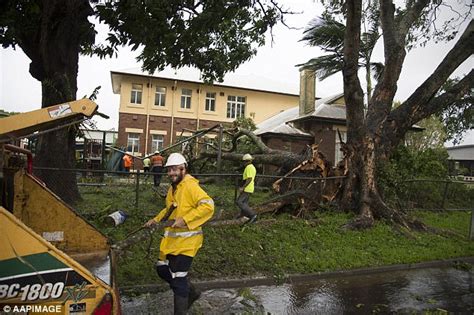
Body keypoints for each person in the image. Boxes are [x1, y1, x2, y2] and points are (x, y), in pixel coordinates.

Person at [145, 152, 214, 314]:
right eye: (169, 170)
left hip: (188, 243)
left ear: (184, 169)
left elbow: (208, 205)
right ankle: (191, 292)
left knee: (178, 278)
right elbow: (169, 209)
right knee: (162, 269)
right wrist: (155, 220)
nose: (171, 173)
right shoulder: (173, 188)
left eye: (175, 169)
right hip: (173, 242)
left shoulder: (190, 186)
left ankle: (182, 305)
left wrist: (185, 219)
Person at [236, 153, 257, 223]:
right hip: (250, 188)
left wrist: (243, 187)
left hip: (247, 188)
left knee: (239, 202)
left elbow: (249, 179)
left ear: (246, 161)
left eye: (244, 162)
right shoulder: (252, 167)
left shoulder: (249, 167)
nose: (243, 163)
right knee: (245, 202)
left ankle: (252, 214)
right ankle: (243, 215)